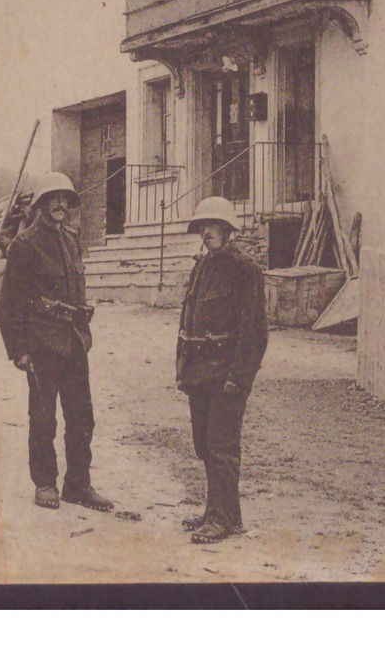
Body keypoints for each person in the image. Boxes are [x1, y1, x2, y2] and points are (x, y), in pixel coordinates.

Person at [0, 172, 114, 512]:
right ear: (41, 205)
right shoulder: (25, 245)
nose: (60, 204)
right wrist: (19, 350)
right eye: (53, 199)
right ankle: (45, 483)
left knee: (82, 417)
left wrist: (84, 331)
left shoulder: (71, 240)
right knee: (44, 418)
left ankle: (78, 484)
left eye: (65, 199)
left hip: (73, 341)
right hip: (42, 342)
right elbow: (9, 303)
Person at [175, 196, 269, 544]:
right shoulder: (202, 266)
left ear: (229, 230)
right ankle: (228, 514)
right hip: (200, 371)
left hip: (226, 373)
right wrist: (183, 367)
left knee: (221, 446)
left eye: (214, 226)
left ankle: (219, 518)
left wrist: (239, 377)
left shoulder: (246, 270)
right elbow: (188, 320)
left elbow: (255, 332)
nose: (207, 232)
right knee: (204, 444)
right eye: (202, 226)